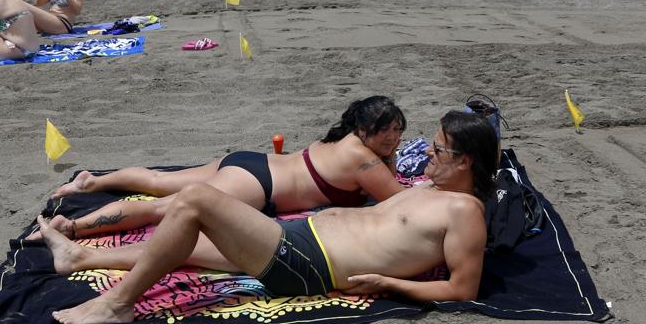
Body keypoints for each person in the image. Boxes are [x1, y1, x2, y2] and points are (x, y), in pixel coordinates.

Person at [38, 110, 496, 324]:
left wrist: (391, 284)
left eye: (438, 150)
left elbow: (462, 288)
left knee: (195, 201)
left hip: (311, 266)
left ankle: (118, 305)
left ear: (466, 162)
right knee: (185, 243)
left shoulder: (465, 211)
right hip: (300, 239)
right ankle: (79, 256)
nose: (427, 156)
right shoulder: (433, 190)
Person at [32, 97, 407, 240]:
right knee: (162, 208)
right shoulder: (365, 159)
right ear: (363, 129)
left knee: (158, 180)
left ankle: (92, 182)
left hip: (249, 162)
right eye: (385, 131)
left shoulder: (342, 140)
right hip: (258, 186)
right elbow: (401, 202)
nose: (393, 138)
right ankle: (72, 227)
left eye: (397, 131)